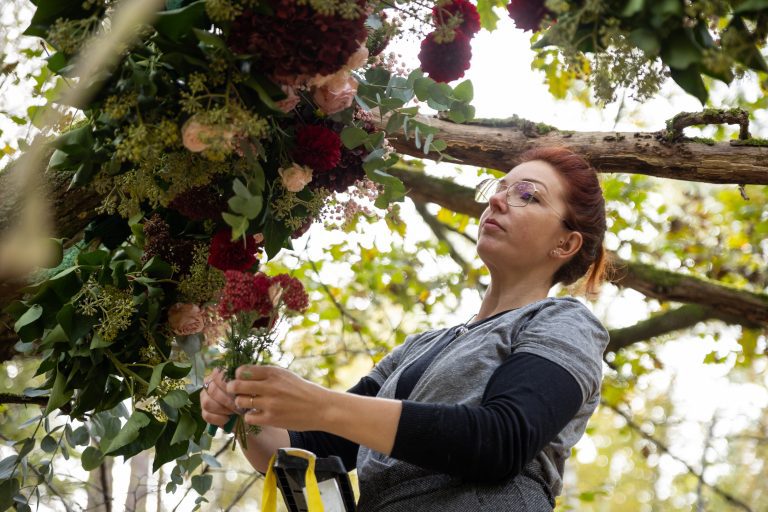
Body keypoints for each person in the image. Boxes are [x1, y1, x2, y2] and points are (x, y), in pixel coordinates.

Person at [201, 146, 610, 511]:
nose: (499, 200)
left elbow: (501, 440)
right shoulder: (421, 347)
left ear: (566, 244)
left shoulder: (565, 322)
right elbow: (311, 449)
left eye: (527, 195)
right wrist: (245, 411)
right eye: (498, 188)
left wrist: (321, 404)